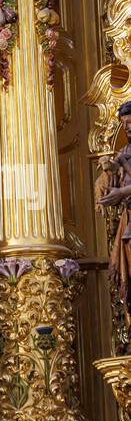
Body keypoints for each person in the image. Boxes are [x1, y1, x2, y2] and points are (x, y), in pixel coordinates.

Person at [96, 99, 131, 324]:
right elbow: (109, 179)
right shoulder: (124, 152)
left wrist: (122, 193)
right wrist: (108, 169)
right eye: (124, 123)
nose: (127, 127)